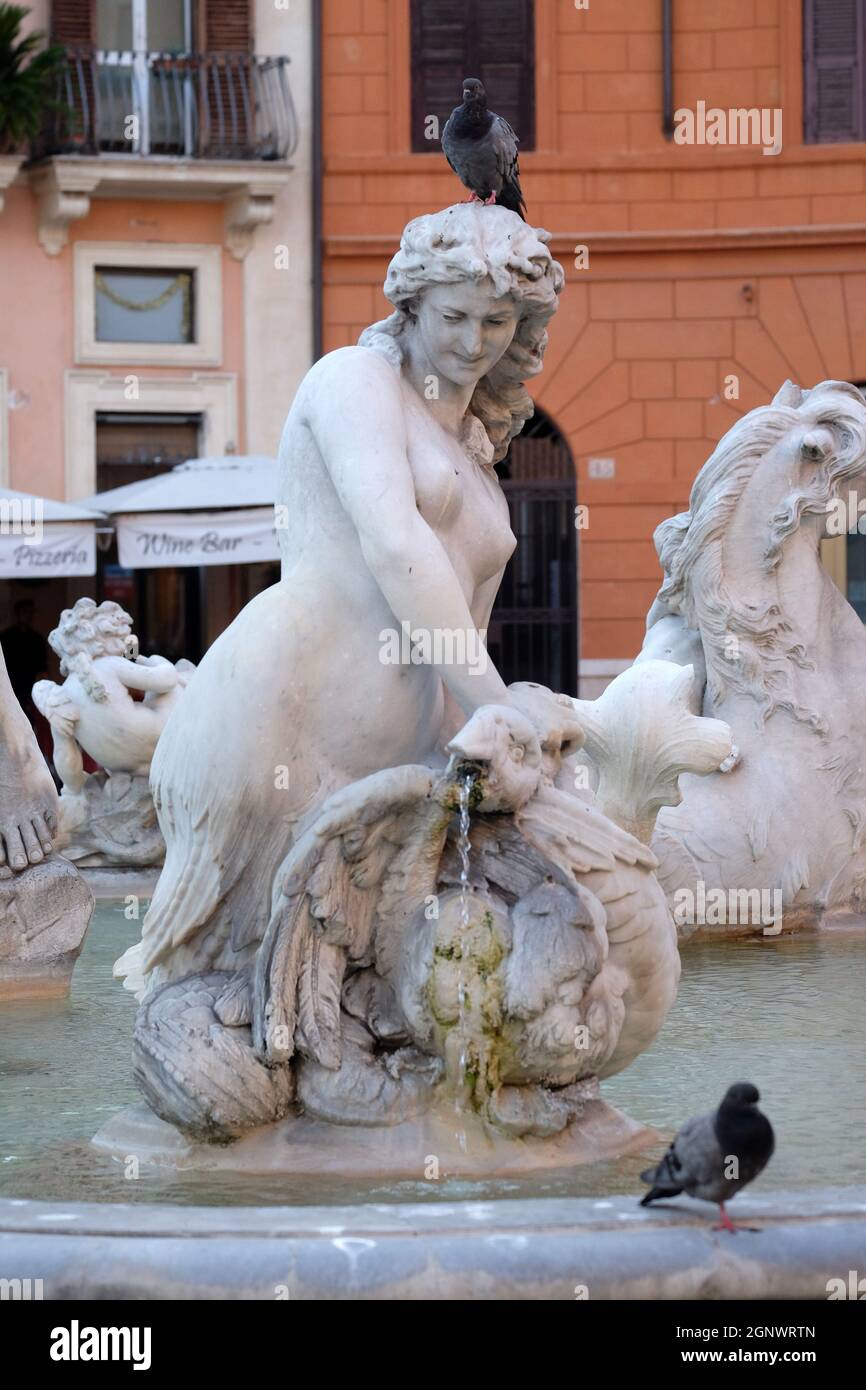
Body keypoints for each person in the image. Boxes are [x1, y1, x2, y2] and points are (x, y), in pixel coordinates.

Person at [140, 203, 572, 984]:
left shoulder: (479, 471)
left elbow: (459, 641)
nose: (474, 343)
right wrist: (501, 704)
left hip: (394, 766)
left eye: (498, 322)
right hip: (278, 715)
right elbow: (395, 543)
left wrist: (476, 749)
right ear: (409, 306)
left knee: (368, 1001)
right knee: (208, 984)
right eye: (454, 316)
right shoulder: (353, 381)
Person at [1, 600, 49, 717]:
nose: (27, 616)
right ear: (17, 614)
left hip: (30, 688)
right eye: (24, 612)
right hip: (9, 685)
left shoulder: (37, 639)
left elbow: (43, 669)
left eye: (30, 612)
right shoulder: (5, 637)